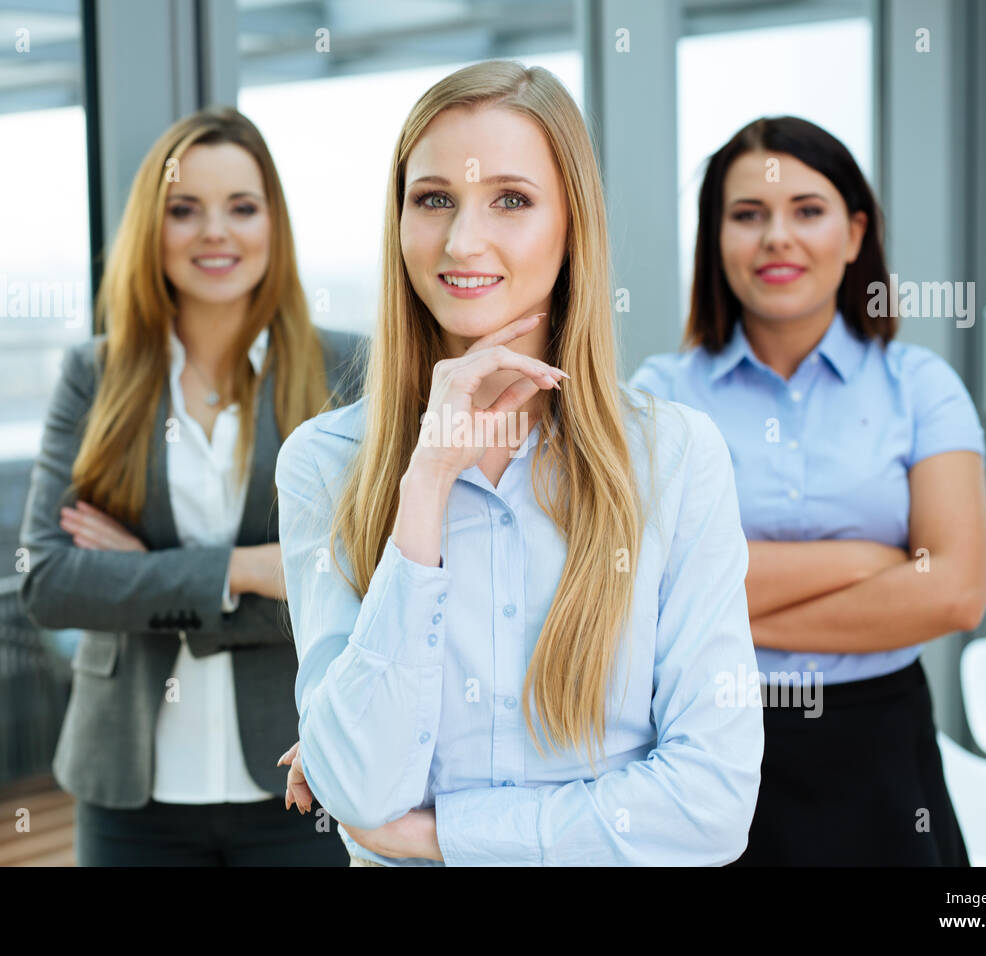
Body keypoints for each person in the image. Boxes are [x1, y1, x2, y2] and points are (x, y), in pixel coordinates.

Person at [272, 60, 763, 866]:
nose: (463, 241)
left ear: (574, 226)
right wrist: (425, 485)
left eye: (511, 199)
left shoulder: (673, 458)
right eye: (434, 199)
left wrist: (437, 837)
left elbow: (709, 803)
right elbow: (361, 790)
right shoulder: (326, 464)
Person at [630, 116, 986, 865]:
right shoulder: (658, 398)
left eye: (808, 210)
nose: (777, 238)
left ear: (854, 234)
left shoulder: (922, 388)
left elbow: (955, 591)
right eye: (748, 214)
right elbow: (644, 595)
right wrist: (870, 561)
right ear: (715, 237)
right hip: (708, 738)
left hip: (880, 749)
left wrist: (719, 604)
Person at [18, 106, 363, 866]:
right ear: (154, 226)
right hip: (129, 790)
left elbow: (360, 585)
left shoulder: (347, 372)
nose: (216, 232)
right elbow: (50, 582)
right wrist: (249, 570)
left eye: (241, 207)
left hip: (300, 776)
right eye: (185, 209)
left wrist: (140, 573)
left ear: (273, 224)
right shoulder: (94, 376)